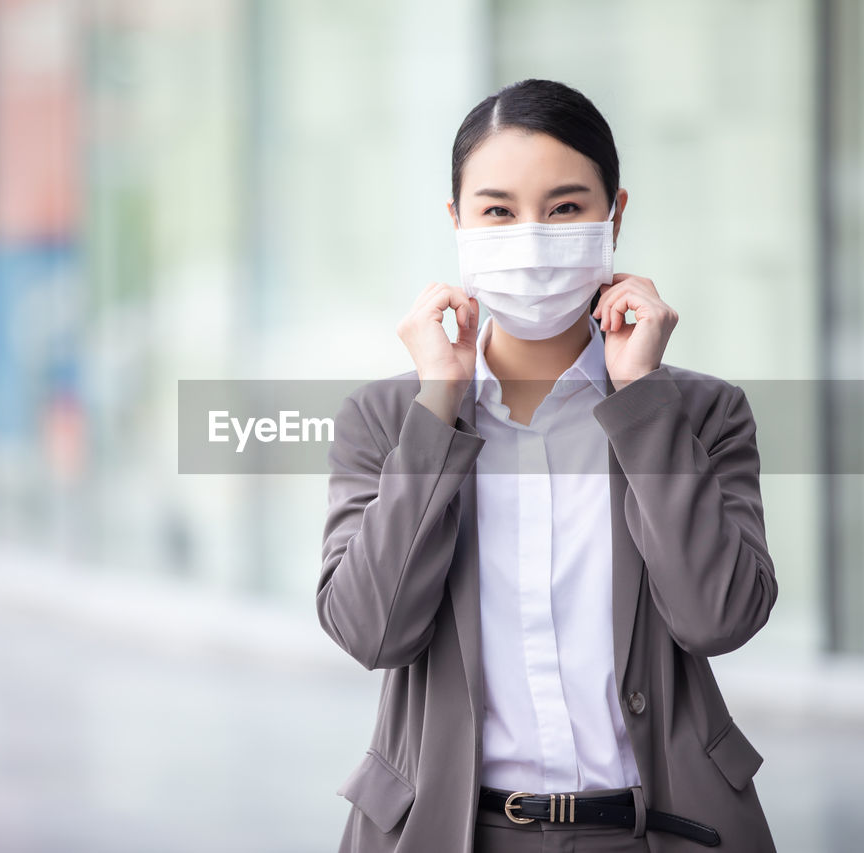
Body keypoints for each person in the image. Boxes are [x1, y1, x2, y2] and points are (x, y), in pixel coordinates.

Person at [317, 78, 778, 853]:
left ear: (615, 215)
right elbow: (371, 629)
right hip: (455, 831)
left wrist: (641, 403)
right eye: (498, 209)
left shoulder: (701, 412)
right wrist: (438, 407)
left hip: (655, 830)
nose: (531, 235)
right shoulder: (387, 419)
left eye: (565, 207)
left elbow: (720, 616)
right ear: (457, 221)